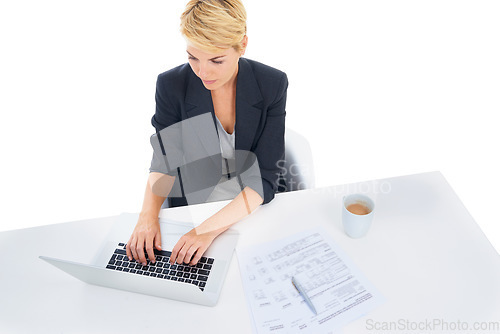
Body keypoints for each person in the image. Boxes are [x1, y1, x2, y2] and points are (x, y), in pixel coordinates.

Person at [126, 0, 288, 267]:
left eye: (216, 59)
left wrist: (207, 231)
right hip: (194, 202)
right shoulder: (171, 85)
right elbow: (165, 162)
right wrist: (147, 216)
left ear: (243, 45)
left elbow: (265, 177)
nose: (203, 71)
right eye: (192, 57)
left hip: (249, 206)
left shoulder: (272, 84)